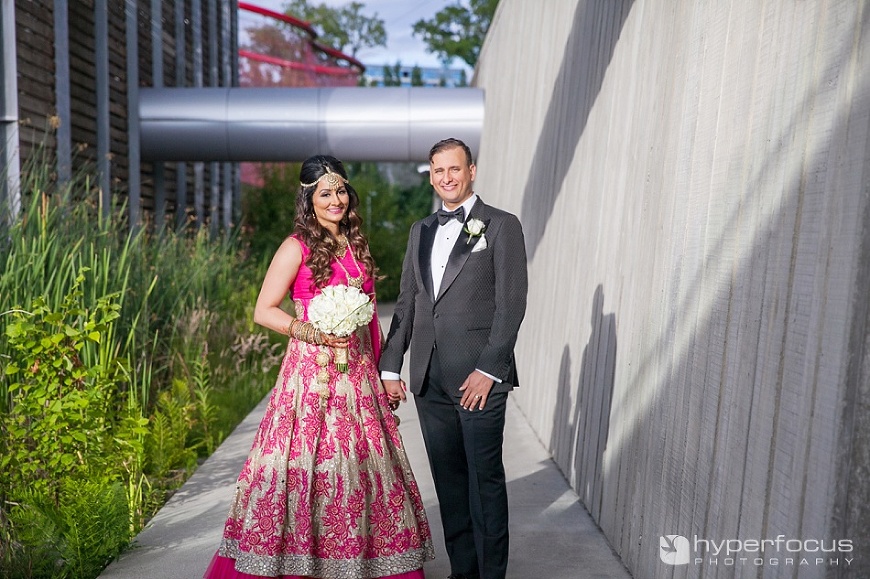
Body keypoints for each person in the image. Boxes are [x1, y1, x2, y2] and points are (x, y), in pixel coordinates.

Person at [204, 155, 435, 579]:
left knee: (361, 469)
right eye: (325, 193)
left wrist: (386, 373)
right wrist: (311, 333)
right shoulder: (296, 245)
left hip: (360, 374)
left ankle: (363, 561)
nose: (335, 200)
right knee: (309, 466)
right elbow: (263, 310)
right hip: (311, 380)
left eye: (341, 191)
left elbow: (369, 318)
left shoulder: (358, 244)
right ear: (308, 199)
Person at [379, 138, 528, 579]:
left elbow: (511, 304)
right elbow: (407, 303)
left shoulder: (501, 225)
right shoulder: (420, 230)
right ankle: (463, 572)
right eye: (438, 171)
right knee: (449, 484)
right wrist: (391, 366)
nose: (446, 178)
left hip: (479, 377)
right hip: (428, 378)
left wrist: (489, 369)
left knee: (485, 483)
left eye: (454, 169)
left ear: (471, 170)